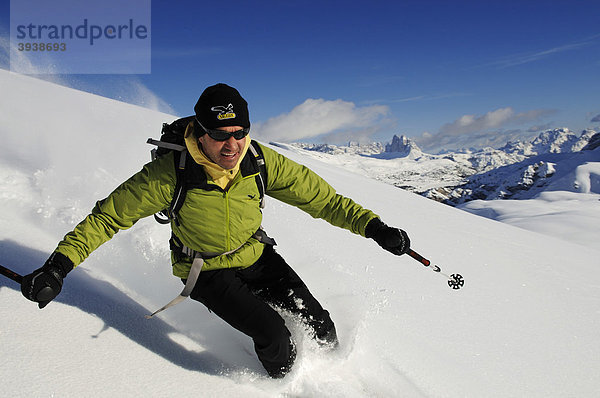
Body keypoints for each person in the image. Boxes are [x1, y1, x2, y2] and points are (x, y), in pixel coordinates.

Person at [20, 83, 411, 378]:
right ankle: (284, 385)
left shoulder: (259, 160)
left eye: (240, 132)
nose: (232, 144)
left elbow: (322, 199)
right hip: (206, 271)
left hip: (257, 255)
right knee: (276, 338)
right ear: (199, 132)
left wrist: (375, 228)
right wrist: (57, 267)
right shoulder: (168, 175)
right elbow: (107, 218)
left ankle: (335, 379)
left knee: (322, 327)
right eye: (221, 134)